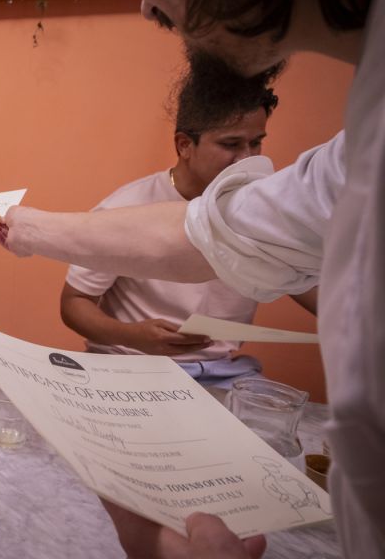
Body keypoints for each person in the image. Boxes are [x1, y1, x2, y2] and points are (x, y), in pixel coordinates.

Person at [0, 0, 383, 559]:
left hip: (225, 384)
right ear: (184, 145)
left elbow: (265, 253)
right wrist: (35, 234)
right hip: (137, 381)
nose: (147, 8)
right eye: (232, 144)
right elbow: (209, 237)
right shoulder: (346, 154)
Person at [60, 61, 317, 386]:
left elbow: (314, 290)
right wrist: (132, 336)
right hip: (130, 366)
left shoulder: (262, 211)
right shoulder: (125, 208)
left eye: (256, 142)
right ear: (184, 145)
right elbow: (74, 303)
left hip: (224, 373)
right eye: (230, 144)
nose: (247, 159)